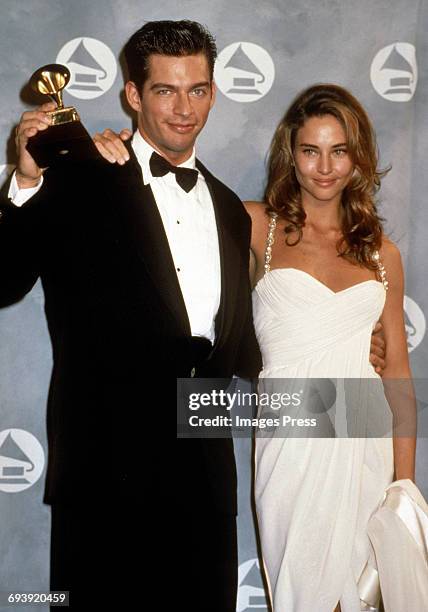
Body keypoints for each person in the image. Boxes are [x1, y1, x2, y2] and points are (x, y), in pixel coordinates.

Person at [0, 20, 262, 611]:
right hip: (105, 475)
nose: (183, 108)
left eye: (197, 89)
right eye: (165, 90)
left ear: (215, 93)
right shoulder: (79, 177)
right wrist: (24, 180)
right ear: (133, 95)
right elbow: (4, 278)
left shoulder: (228, 209)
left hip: (203, 474)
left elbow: (235, 347)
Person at [245, 84, 421, 611]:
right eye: (310, 150)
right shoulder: (258, 228)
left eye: (339, 150)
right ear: (290, 155)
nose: (324, 167)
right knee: (302, 594)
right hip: (289, 439)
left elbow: (398, 376)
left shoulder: (382, 253)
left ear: (357, 157)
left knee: (363, 598)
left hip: (364, 440)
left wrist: (403, 487)